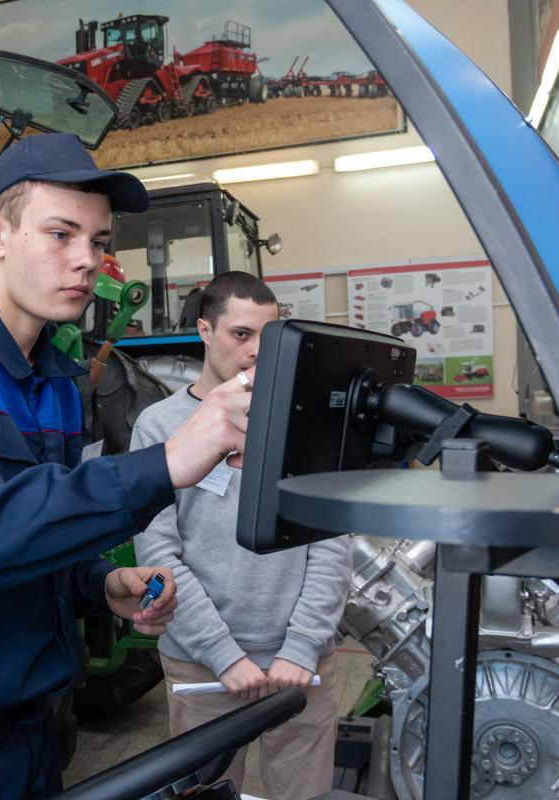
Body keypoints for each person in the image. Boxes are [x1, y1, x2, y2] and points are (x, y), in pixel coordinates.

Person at [0, 133, 256, 799]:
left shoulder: (61, 383)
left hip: (37, 732)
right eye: (61, 235)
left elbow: (35, 530)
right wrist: (165, 463)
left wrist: (98, 583)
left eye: (98, 241)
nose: (87, 261)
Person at [132, 271, 351, 800]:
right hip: (202, 664)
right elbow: (158, 555)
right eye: (240, 334)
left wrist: (301, 646)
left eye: (267, 336)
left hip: (300, 666)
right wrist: (223, 655)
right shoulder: (160, 427)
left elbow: (330, 545)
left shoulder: (304, 424)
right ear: (204, 330)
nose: (257, 350)